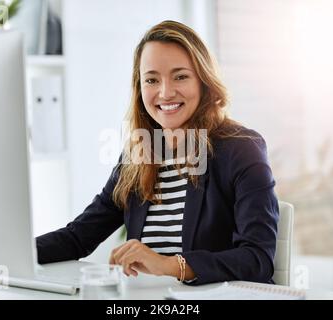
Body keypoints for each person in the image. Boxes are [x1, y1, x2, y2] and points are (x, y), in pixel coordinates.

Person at [37, 20, 279, 285]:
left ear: (203, 81)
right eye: (152, 79)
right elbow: (77, 238)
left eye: (180, 76)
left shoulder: (241, 148)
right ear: (140, 88)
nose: (165, 92)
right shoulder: (139, 155)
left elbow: (257, 259)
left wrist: (169, 265)